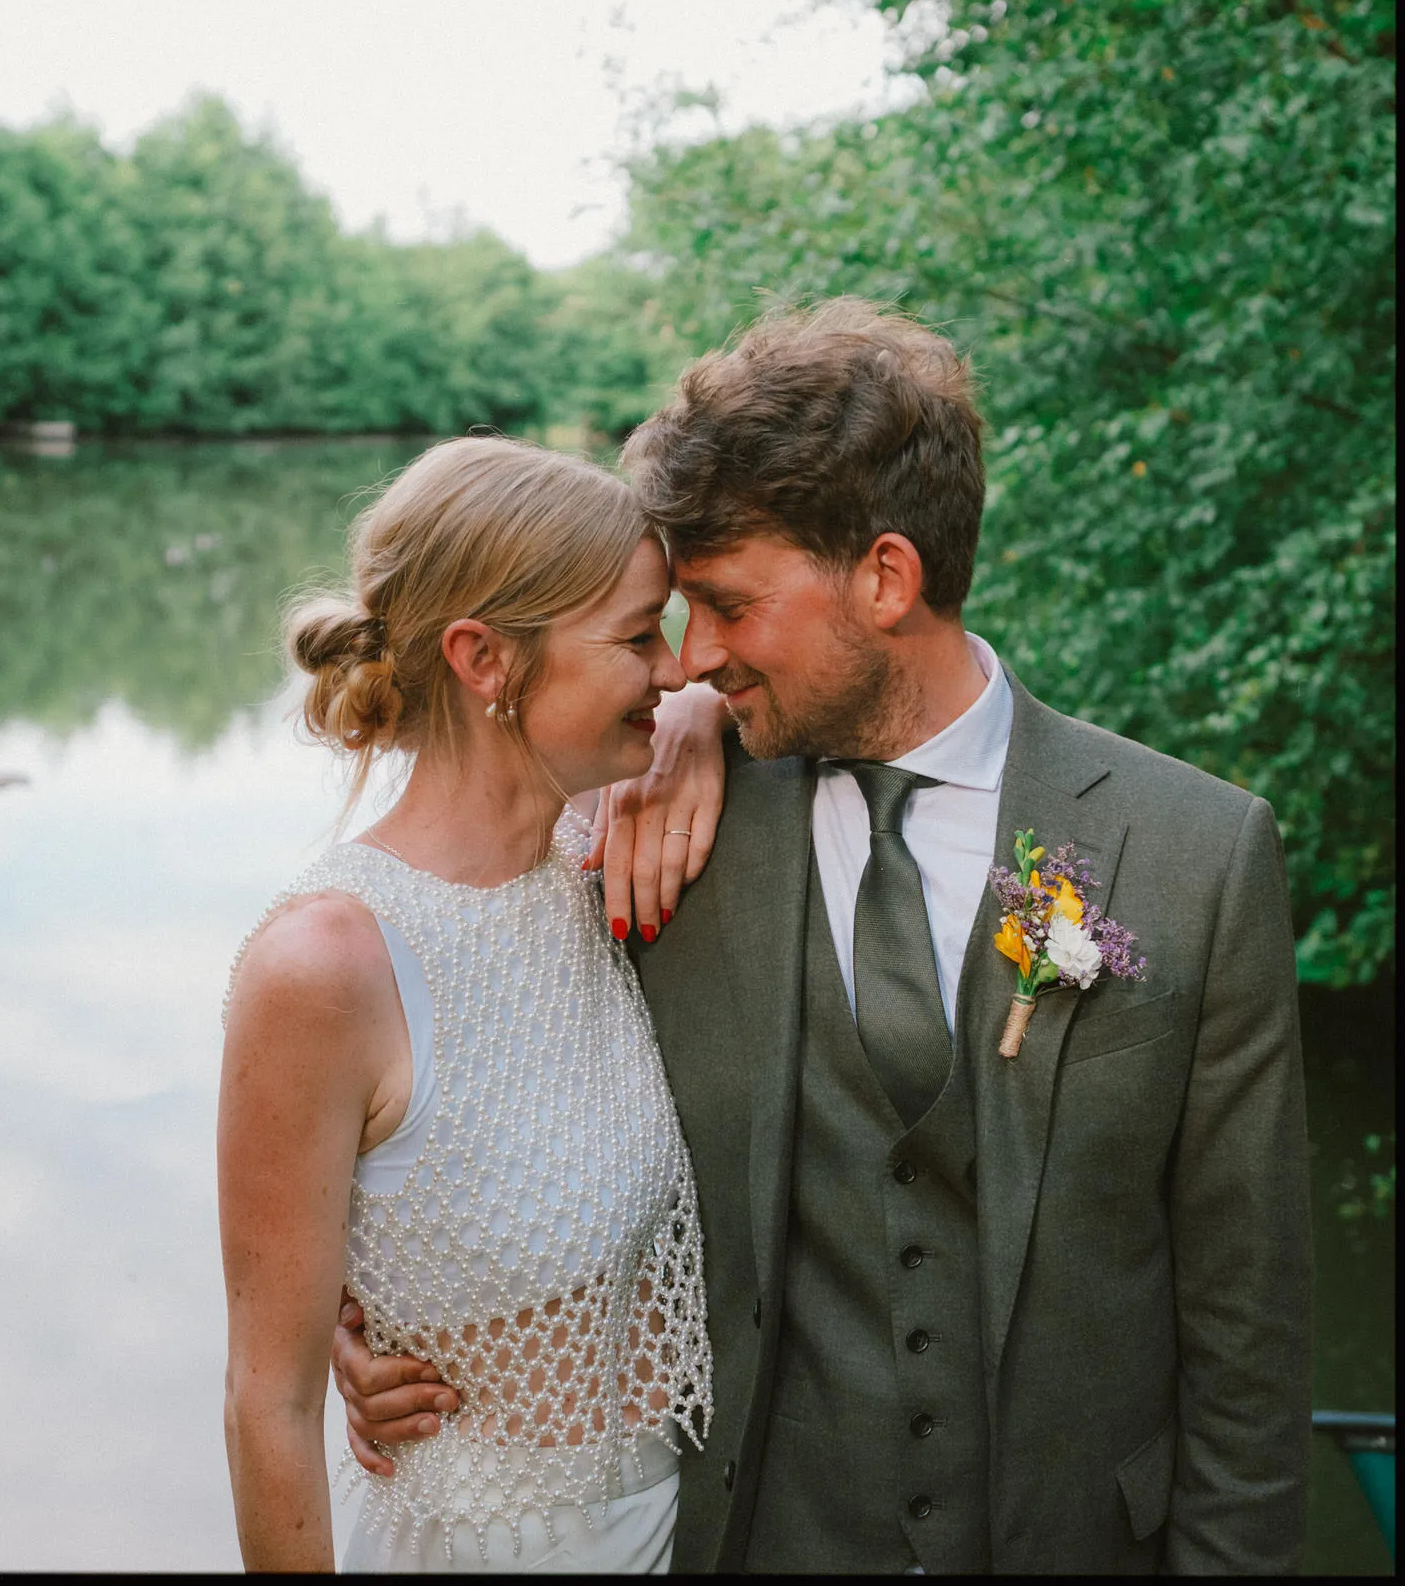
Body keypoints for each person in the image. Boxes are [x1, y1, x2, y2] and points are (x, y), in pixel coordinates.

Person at [332, 299, 1313, 1574]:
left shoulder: (1196, 854)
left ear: (887, 578)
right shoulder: (644, 830)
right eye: (673, 618)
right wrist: (373, 1321)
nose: (687, 663)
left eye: (728, 606)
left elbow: (1248, 1336)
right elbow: (443, 1080)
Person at [217, 435, 718, 1573]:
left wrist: (702, 727)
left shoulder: (605, 854)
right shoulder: (326, 964)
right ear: (484, 658)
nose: (680, 666)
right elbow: (267, 1403)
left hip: (690, 1529)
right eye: (641, 637)